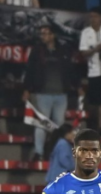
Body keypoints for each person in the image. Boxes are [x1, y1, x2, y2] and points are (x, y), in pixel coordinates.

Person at [24, 25, 72, 161]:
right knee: (41, 124)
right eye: (41, 34)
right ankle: (38, 152)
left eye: (45, 33)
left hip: (61, 94)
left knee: (59, 125)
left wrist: (76, 85)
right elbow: (30, 70)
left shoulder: (63, 50)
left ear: (53, 35)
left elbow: (70, 69)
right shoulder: (37, 51)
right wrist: (27, 89)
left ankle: (56, 152)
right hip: (43, 93)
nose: (42, 36)